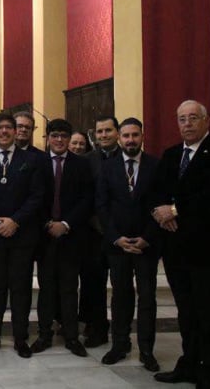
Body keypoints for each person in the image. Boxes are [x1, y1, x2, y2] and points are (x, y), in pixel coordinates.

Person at [151, 101, 210, 388]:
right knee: (188, 312)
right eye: (182, 119)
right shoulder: (171, 155)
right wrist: (160, 213)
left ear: (206, 120)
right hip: (178, 249)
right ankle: (189, 363)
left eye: (193, 118)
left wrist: (174, 210)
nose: (187, 124)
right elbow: (157, 191)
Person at [0, 113, 44, 358]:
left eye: (8, 127)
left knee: (20, 287)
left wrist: (15, 221)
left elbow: (37, 196)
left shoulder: (31, 161)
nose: (4, 131)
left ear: (15, 132)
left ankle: (20, 338)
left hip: (22, 234)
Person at [96, 117, 160, 372]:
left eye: (135, 135)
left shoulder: (156, 166)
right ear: (119, 138)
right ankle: (119, 345)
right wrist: (116, 237)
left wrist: (147, 237)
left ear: (142, 136)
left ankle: (146, 349)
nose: (130, 140)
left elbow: (160, 204)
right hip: (118, 245)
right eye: (126, 136)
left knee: (147, 298)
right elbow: (101, 205)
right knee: (120, 297)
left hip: (147, 244)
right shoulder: (107, 167)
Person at [31, 119, 92, 358]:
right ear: (48, 138)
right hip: (44, 236)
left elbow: (87, 199)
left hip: (71, 236)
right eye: (55, 135)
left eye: (63, 136)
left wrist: (65, 224)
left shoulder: (82, 164)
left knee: (69, 288)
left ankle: (71, 336)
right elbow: (33, 197)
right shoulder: (37, 163)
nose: (59, 140)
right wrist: (48, 223)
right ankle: (44, 334)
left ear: (69, 138)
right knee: (46, 288)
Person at [81, 115, 120, 347]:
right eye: (100, 131)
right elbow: (82, 194)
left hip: (121, 230)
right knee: (93, 283)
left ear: (117, 133)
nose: (104, 135)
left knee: (121, 285)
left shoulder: (127, 157)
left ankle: (121, 332)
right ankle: (96, 327)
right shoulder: (87, 161)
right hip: (93, 232)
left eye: (108, 130)